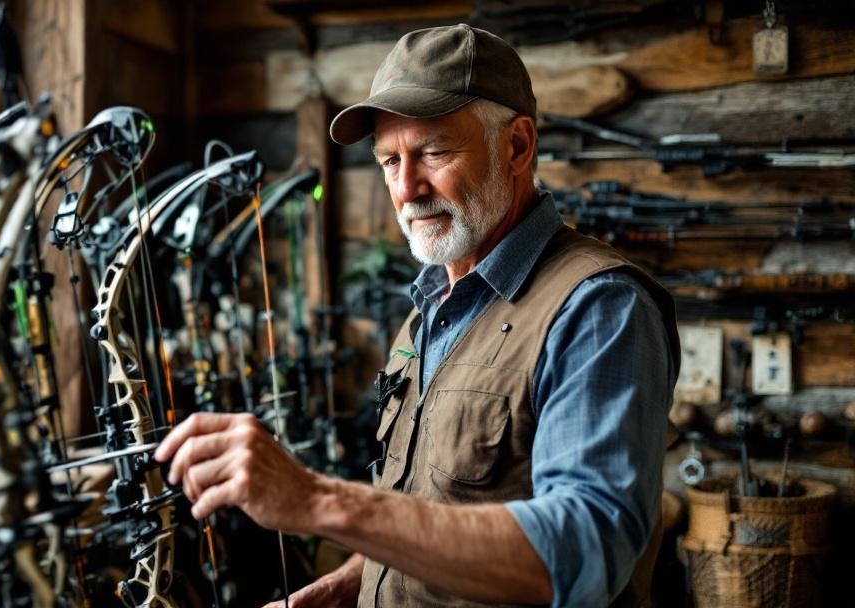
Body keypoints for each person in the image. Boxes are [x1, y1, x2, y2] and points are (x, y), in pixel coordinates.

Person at [155, 23, 679, 607]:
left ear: (518, 146)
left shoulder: (598, 307)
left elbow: (585, 553)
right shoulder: (432, 306)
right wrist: (346, 586)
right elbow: (436, 512)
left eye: (434, 152)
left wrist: (319, 501)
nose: (407, 188)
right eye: (388, 160)